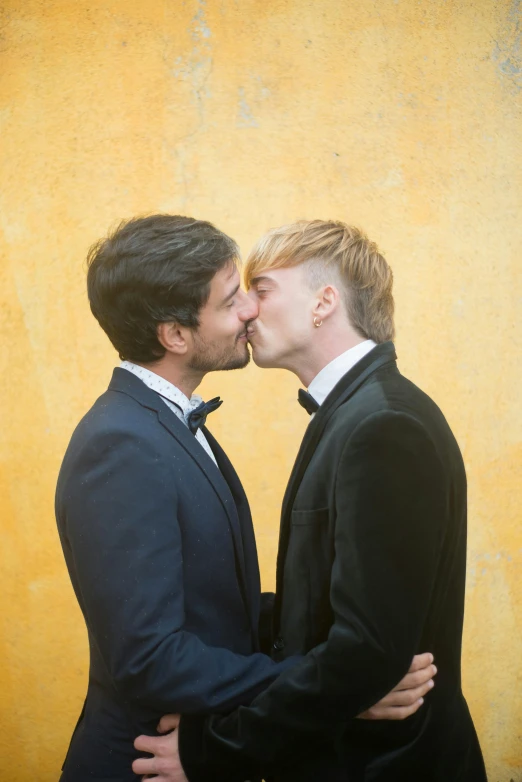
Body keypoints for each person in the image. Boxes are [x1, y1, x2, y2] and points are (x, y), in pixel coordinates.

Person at [55, 215, 433, 782]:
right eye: (232, 300)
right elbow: (150, 658)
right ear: (175, 335)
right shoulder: (121, 444)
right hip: (145, 762)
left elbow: (213, 605)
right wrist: (334, 689)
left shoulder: (170, 426)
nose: (250, 311)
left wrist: (347, 664)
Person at [136, 220, 487, 782]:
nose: (247, 308)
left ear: (325, 302)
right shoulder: (358, 414)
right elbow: (332, 616)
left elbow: (368, 652)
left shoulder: (385, 426)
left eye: (265, 288)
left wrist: (213, 750)